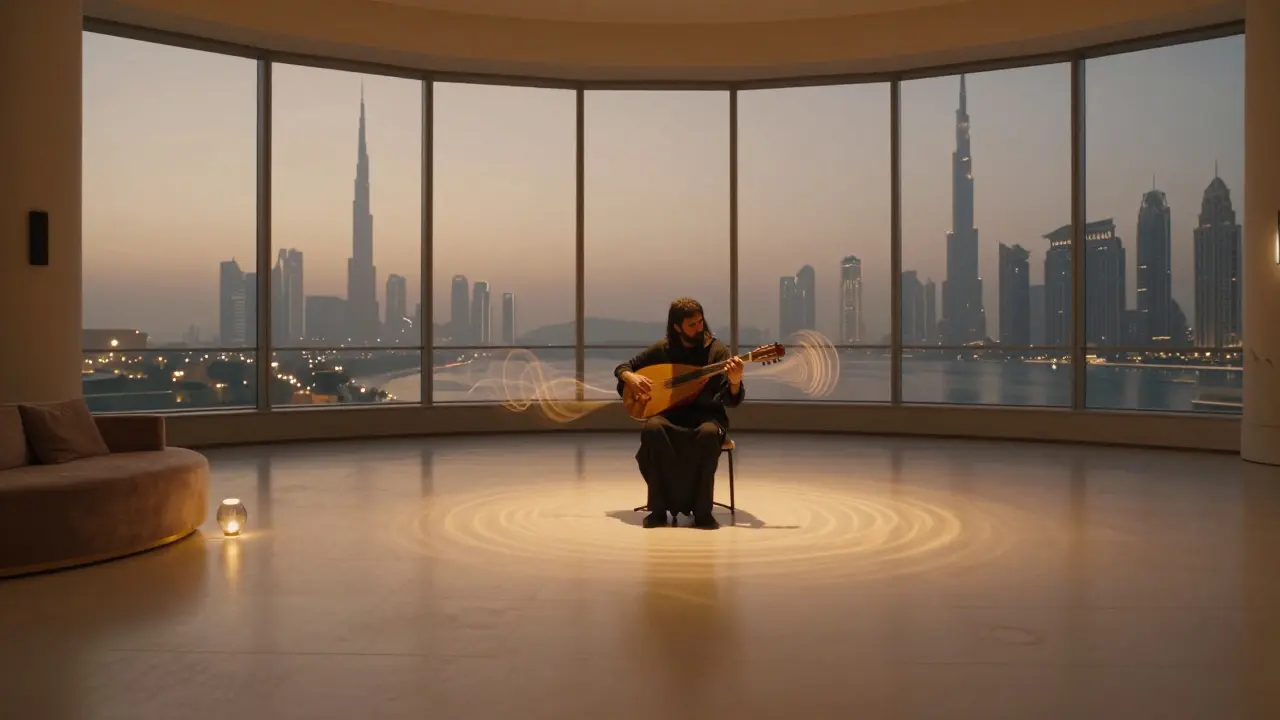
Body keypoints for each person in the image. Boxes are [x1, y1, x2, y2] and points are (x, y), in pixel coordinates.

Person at [615, 298, 745, 529]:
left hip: (707, 417)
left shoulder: (716, 351)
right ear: (677, 327)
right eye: (692, 324)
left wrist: (734, 382)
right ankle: (658, 509)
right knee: (653, 429)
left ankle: (703, 512)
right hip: (670, 417)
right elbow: (624, 368)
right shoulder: (663, 350)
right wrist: (630, 377)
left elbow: (731, 399)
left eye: (700, 322)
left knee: (707, 434)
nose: (699, 328)